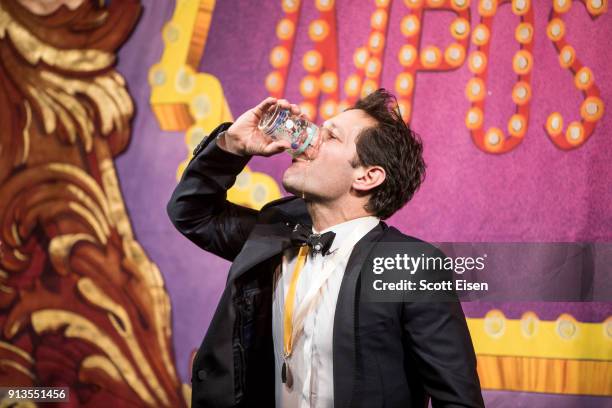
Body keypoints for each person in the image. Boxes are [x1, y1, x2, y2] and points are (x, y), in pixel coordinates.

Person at [167, 89, 484, 408]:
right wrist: (230, 146)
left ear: (367, 176)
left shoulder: (411, 266)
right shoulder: (273, 236)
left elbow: (458, 401)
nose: (307, 140)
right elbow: (192, 210)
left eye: (331, 137)